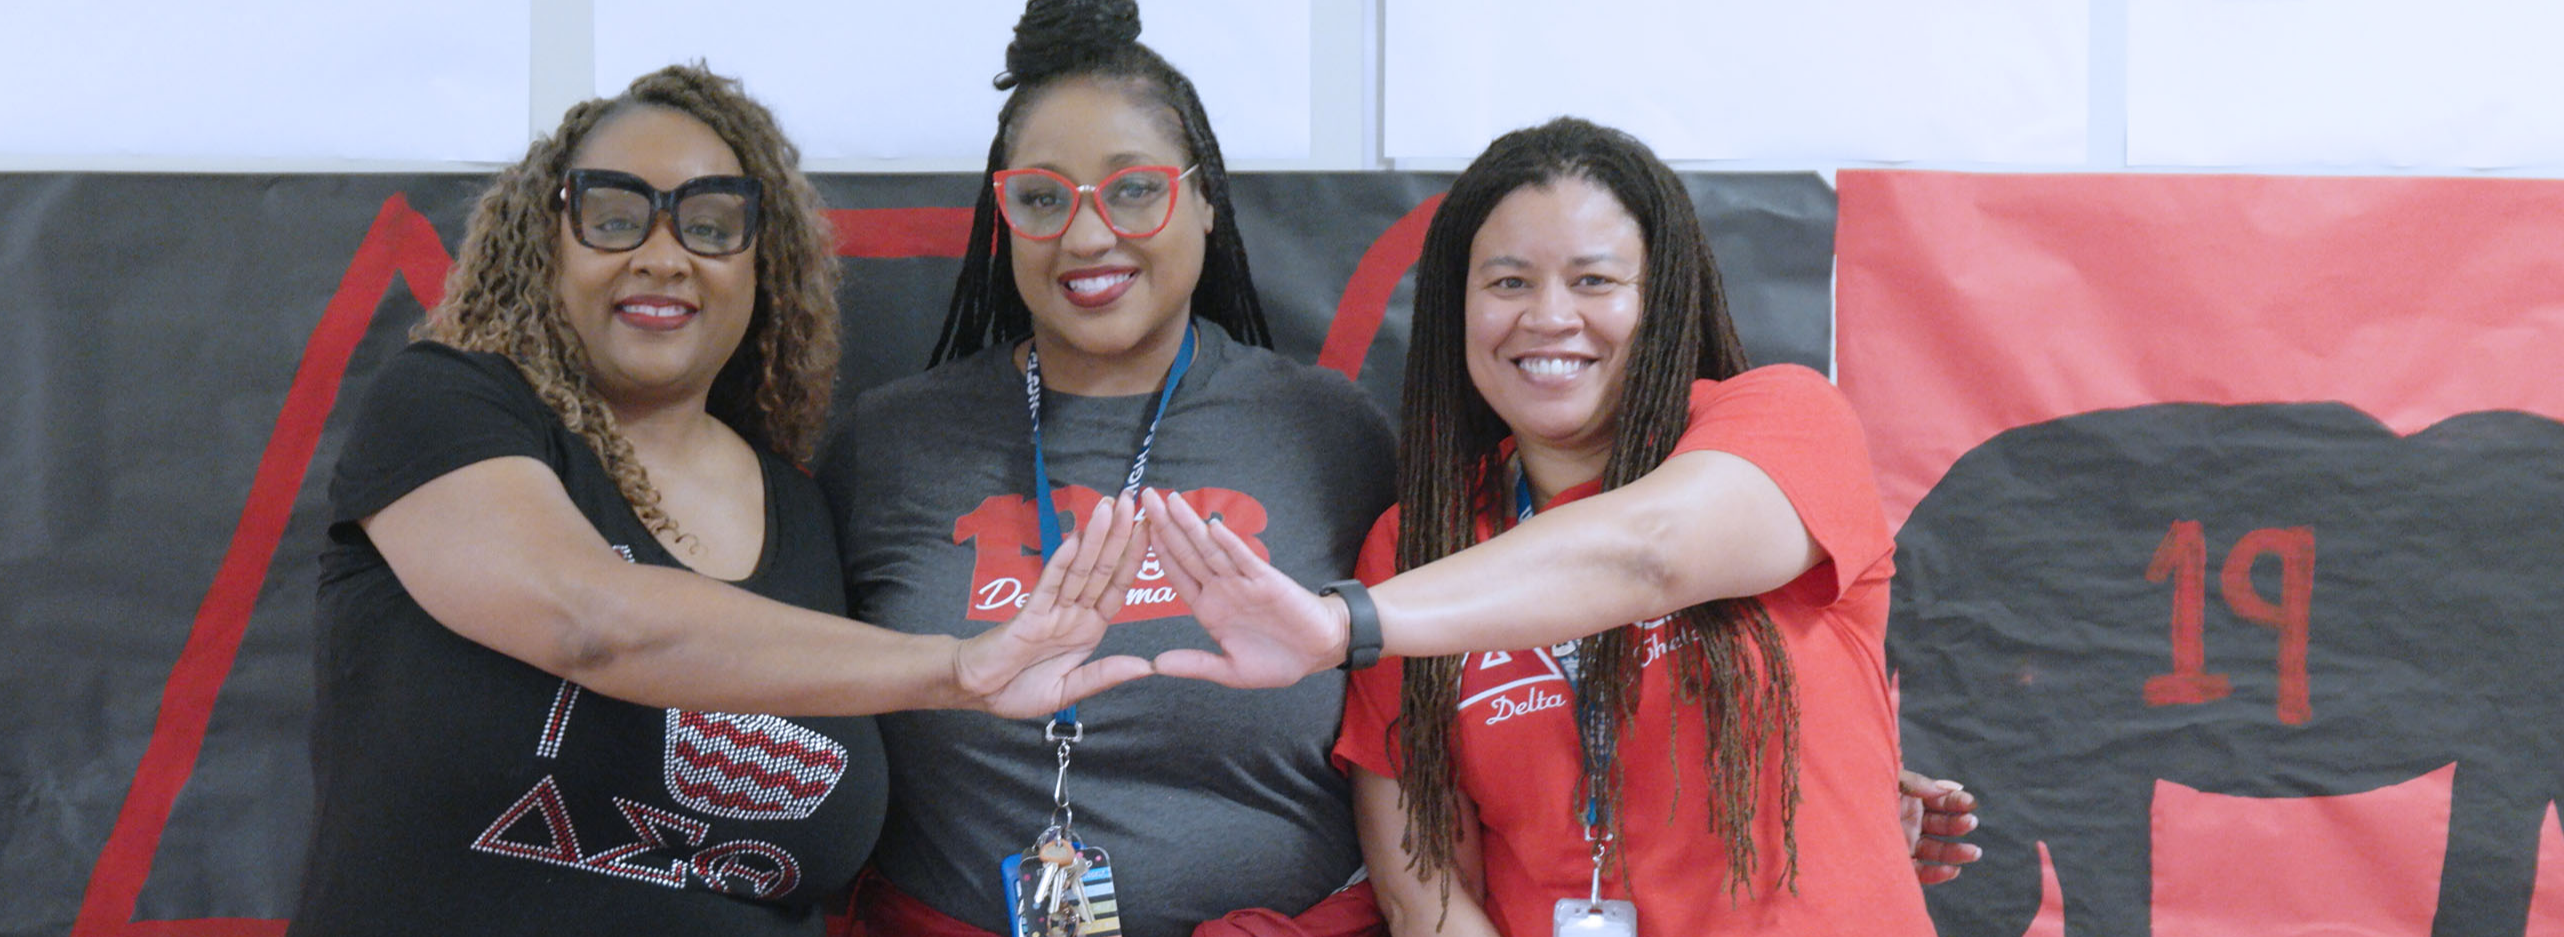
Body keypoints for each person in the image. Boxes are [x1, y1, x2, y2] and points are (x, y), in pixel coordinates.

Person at [287, 65, 1156, 937]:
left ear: (761, 266)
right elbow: (586, 619)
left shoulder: (806, 513)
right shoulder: (448, 405)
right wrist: (957, 669)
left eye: (710, 226)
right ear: (548, 239)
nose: (663, 256)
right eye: (616, 217)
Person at [1138, 116, 1944, 936]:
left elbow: (1649, 553)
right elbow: (1426, 888)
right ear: (1459, 306)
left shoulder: (1785, 421)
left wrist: (1344, 622)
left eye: (1594, 280)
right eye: (1509, 282)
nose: (1549, 317)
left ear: (1661, 299)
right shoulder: (1415, 543)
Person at [815, 2, 1399, 934]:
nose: (1087, 238)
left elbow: (1413, 733)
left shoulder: (1332, 434)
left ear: (1205, 198)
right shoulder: (886, 445)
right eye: (1044, 198)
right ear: (1004, 217)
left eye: (1134, 190)